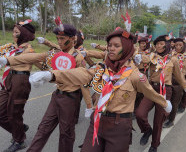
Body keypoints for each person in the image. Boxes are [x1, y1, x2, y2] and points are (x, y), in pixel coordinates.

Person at [26, 28, 172, 152]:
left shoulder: (135, 75)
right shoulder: (102, 68)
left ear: (126, 48)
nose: (111, 48)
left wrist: (164, 103)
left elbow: (149, 92)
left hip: (119, 127)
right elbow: (82, 73)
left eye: (116, 45)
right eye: (109, 45)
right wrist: (51, 75)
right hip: (97, 122)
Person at [1, 24, 89, 152]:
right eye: (58, 38)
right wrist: (8, 61)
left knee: (66, 133)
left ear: (72, 39)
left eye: (62, 38)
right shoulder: (57, 53)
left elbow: (83, 80)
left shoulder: (78, 57)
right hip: (57, 95)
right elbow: (35, 56)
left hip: (70, 98)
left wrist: (89, 105)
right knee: (43, 128)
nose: (59, 41)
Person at [135, 35, 186, 152]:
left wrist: (185, 87)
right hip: (152, 90)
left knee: (158, 121)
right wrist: (137, 56)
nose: (159, 46)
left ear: (166, 45)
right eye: (157, 44)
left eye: (161, 44)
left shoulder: (173, 59)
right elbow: (142, 58)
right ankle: (146, 130)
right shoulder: (152, 57)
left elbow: (179, 76)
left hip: (165, 91)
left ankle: (154, 145)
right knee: (140, 113)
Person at [0, 20, 36, 152]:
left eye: (16, 32)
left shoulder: (29, 51)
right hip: (8, 81)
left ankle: (19, 141)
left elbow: (19, 60)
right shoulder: (13, 47)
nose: (13, 34)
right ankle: (19, 129)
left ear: (24, 35)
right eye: (13, 31)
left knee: (14, 113)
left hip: (20, 82)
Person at [163, 38, 186, 128]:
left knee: (175, 102)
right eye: (176, 45)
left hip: (179, 82)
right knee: (166, 101)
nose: (178, 47)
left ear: (184, 46)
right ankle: (165, 117)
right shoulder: (170, 54)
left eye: (180, 45)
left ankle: (171, 120)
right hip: (169, 80)